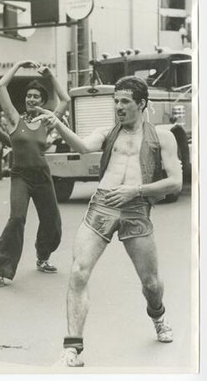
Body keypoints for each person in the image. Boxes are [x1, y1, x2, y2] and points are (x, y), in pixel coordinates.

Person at [41, 76, 182, 367]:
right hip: (102, 205)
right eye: (115, 101)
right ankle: (72, 349)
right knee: (78, 271)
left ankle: (158, 316)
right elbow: (82, 146)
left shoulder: (163, 137)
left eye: (125, 101)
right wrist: (58, 124)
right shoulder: (107, 133)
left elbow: (176, 182)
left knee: (151, 284)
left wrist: (136, 190)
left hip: (136, 208)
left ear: (141, 103)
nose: (118, 106)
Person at [0, 60, 70, 287]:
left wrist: (50, 76)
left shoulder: (47, 122)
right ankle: (1, 268)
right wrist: (18, 65)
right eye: (29, 96)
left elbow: (66, 100)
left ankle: (43, 257)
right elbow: (2, 86)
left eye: (36, 97)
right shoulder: (15, 119)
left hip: (42, 176)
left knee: (52, 221)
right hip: (20, 175)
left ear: (42, 101)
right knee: (17, 219)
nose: (31, 99)